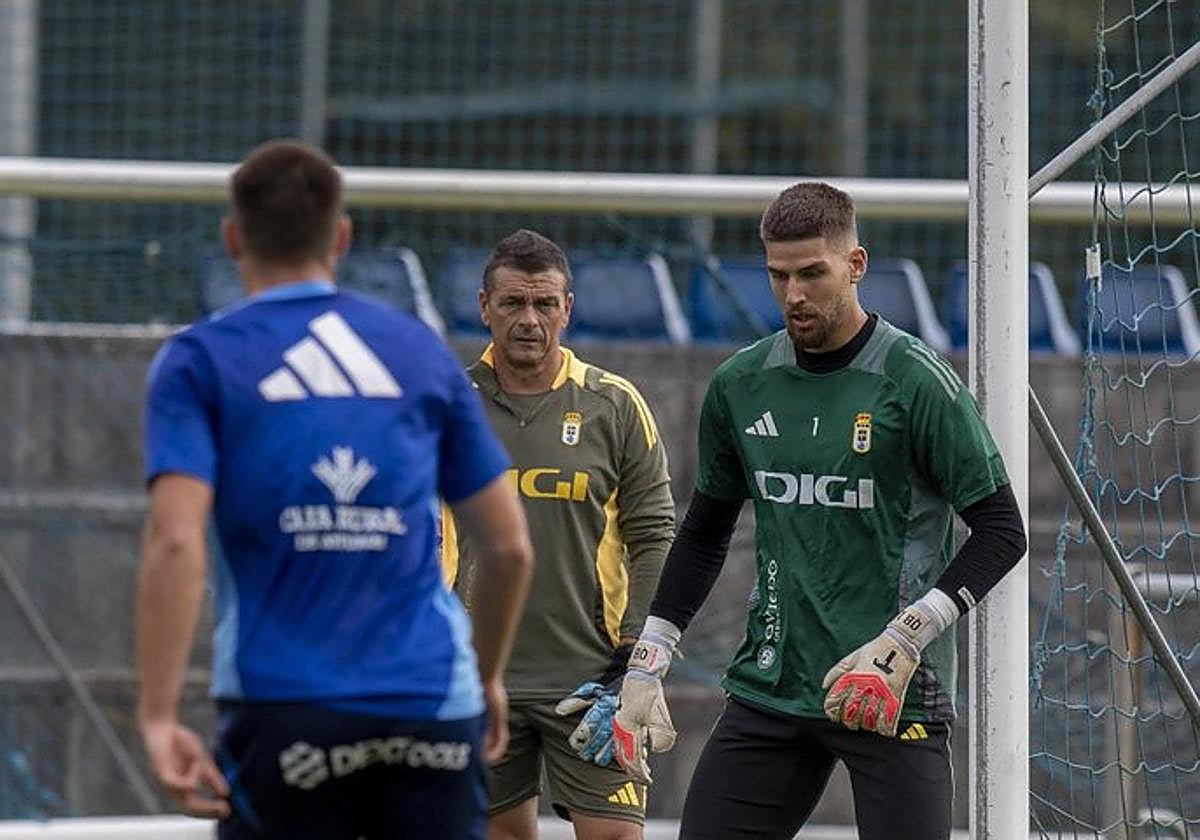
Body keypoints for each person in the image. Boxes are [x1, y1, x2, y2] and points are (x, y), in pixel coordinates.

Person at [136, 139, 533, 839]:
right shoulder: (417, 350)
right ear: (341, 238)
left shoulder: (199, 360)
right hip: (433, 703)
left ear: (233, 238)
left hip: (288, 705)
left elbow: (174, 542)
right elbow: (507, 550)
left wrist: (160, 715)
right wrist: (487, 675)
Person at [608, 182, 1028, 840]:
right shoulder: (740, 384)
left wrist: (905, 638)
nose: (794, 295)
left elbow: (1003, 531)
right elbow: (704, 532)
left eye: (812, 273)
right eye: (778, 276)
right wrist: (650, 656)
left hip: (889, 689)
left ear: (855, 266)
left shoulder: (916, 381)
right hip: (774, 686)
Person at [441, 229, 675, 840]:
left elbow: (654, 536)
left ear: (567, 309)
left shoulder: (614, 406)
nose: (529, 319)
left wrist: (635, 659)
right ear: (483, 306)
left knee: (616, 835)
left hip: (592, 679)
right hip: (474, 675)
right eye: (513, 303)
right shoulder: (447, 405)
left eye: (545, 304)